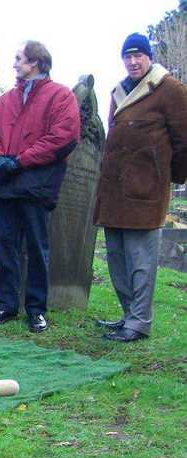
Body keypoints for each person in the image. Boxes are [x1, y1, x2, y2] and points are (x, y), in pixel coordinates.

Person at [0, 40, 80, 333]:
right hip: (5, 184)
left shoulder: (60, 96)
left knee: (37, 247)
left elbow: (63, 137)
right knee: (5, 245)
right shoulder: (6, 99)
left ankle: (36, 309)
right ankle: (5, 304)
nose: (14, 64)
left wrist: (21, 160)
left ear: (35, 62)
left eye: (19, 58)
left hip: (36, 184)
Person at [93, 33, 187, 342]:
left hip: (146, 191)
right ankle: (127, 316)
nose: (133, 62)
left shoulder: (170, 89)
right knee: (118, 259)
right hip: (114, 192)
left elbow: (183, 139)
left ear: (149, 57)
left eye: (139, 56)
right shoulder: (118, 92)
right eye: (127, 56)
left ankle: (139, 322)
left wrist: (167, 178)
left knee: (141, 261)